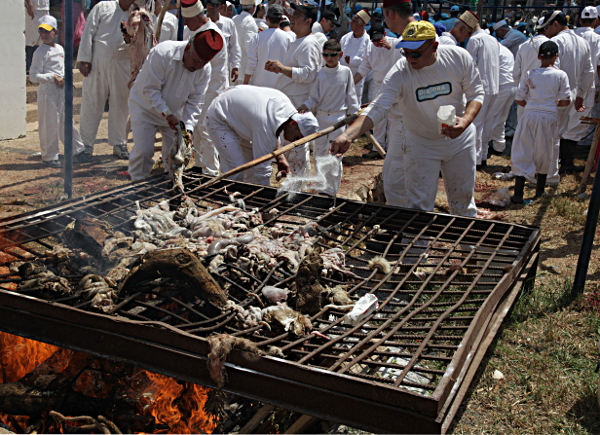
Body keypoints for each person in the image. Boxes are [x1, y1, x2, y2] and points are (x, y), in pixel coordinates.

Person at [330, 21, 484, 217]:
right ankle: (417, 247)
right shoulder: (400, 72)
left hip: (459, 142)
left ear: (434, 46)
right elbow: (379, 107)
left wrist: (466, 121)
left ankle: (467, 245)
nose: (410, 59)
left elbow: (476, 93)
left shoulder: (458, 58)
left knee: (463, 202)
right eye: (406, 53)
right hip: (420, 144)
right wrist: (348, 135)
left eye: (416, 53)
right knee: (419, 207)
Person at [127, 30, 221, 181]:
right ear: (188, 48)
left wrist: (188, 129)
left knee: (176, 155)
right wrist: (166, 113)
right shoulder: (164, 53)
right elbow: (150, 89)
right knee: (144, 151)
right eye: (196, 61)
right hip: (145, 107)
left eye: (202, 63)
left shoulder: (204, 70)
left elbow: (195, 101)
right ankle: (136, 186)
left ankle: (171, 187)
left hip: (175, 113)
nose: (197, 66)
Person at [206, 86, 319, 186]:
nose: (294, 141)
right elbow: (262, 168)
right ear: (294, 123)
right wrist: (266, 194)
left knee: (249, 169)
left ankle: (246, 198)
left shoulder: (285, 109)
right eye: (297, 137)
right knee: (236, 168)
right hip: (219, 117)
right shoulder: (265, 124)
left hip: (237, 113)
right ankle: (229, 199)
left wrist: (280, 158)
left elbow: (274, 131)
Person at [510, 40, 570, 203]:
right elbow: (566, 101)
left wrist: (532, 104)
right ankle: (539, 191)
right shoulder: (561, 75)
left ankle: (518, 194)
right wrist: (552, 103)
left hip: (529, 114)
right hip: (549, 116)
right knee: (545, 151)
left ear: (538, 56)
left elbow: (519, 99)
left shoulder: (530, 74)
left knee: (523, 149)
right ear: (556, 57)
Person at [297, 39, 359, 195]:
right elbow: (314, 98)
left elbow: (351, 96)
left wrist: (355, 116)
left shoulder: (346, 72)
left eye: (333, 55)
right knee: (319, 154)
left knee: (334, 157)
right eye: (326, 55)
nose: (329, 58)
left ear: (340, 55)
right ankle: (322, 187)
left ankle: (331, 191)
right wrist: (305, 105)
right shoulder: (320, 74)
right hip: (321, 119)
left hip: (339, 120)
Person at [266, 3, 322, 175]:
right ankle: (295, 184)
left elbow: (309, 73)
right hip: (291, 98)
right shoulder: (298, 41)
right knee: (290, 146)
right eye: (294, 14)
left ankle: (299, 187)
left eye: (298, 16)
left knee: (296, 147)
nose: (293, 18)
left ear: (308, 21)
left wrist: (282, 68)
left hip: (299, 100)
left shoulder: (309, 43)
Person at [77, 0, 136, 162]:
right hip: (98, 60)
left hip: (123, 62)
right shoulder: (103, 7)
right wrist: (84, 58)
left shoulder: (137, 14)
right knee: (92, 100)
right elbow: (88, 30)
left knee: (121, 103)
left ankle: (119, 143)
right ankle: (86, 145)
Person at [29, 15, 87, 168]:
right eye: (41, 31)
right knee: (49, 124)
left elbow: (63, 69)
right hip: (48, 93)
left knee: (66, 122)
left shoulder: (60, 49)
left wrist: (65, 79)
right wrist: (52, 77)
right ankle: (49, 156)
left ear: (55, 32)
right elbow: (34, 76)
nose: (44, 35)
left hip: (61, 92)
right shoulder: (39, 52)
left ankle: (77, 150)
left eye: (47, 31)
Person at [541, 10, 594, 174]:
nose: (545, 31)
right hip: (571, 94)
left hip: (556, 96)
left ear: (555, 24)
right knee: (562, 132)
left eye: (547, 27)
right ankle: (557, 167)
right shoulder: (582, 42)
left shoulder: (556, 42)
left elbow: (552, 72)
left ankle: (548, 170)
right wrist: (580, 95)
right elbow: (588, 72)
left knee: (551, 134)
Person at [181, 0, 230, 177]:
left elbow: (209, 69)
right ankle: (200, 164)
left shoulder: (213, 35)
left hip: (211, 89)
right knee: (196, 127)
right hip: (198, 88)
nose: (185, 24)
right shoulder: (192, 30)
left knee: (206, 128)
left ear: (198, 17)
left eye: (188, 20)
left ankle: (210, 171)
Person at [454, 11, 500, 168]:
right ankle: (483, 157)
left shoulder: (475, 40)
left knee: (476, 126)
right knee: (487, 124)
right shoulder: (492, 39)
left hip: (481, 87)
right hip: (494, 86)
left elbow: (470, 65)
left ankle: (474, 160)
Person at [354, 23, 402, 152]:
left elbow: (404, 57)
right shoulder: (370, 48)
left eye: (378, 39)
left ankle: (392, 148)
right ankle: (377, 148)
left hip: (394, 87)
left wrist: (390, 47)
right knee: (378, 120)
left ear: (385, 35)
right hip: (378, 87)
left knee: (393, 120)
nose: (376, 42)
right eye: (373, 40)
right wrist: (350, 84)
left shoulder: (396, 43)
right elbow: (363, 70)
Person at [244, 4, 294, 87]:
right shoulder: (289, 39)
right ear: (281, 20)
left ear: (267, 18)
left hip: (258, 85)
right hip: (280, 86)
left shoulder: (257, 37)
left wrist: (245, 82)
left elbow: (251, 63)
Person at [488, 45, 516, 155]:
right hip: (512, 85)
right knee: (501, 118)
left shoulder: (493, 49)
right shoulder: (504, 49)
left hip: (501, 86)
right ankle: (499, 146)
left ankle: (484, 147)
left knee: (491, 118)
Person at [207, 0, 241, 83]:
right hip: (204, 72)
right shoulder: (200, 22)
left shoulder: (229, 23)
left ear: (222, 6)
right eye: (208, 3)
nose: (211, 7)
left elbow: (234, 46)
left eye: (215, 4)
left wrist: (235, 66)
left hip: (222, 73)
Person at [340, 10, 371, 101]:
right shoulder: (345, 38)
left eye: (354, 21)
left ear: (362, 25)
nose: (351, 22)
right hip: (341, 78)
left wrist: (352, 60)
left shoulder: (367, 41)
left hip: (357, 80)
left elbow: (367, 62)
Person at [232, 0, 258, 83]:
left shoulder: (234, 18)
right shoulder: (250, 22)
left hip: (233, 69)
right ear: (254, 7)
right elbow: (250, 48)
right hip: (245, 72)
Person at [25, 0, 50, 74]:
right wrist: (30, 5)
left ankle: (38, 67)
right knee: (31, 39)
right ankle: (28, 67)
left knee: (41, 40)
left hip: (45, 8)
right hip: (35, 8)